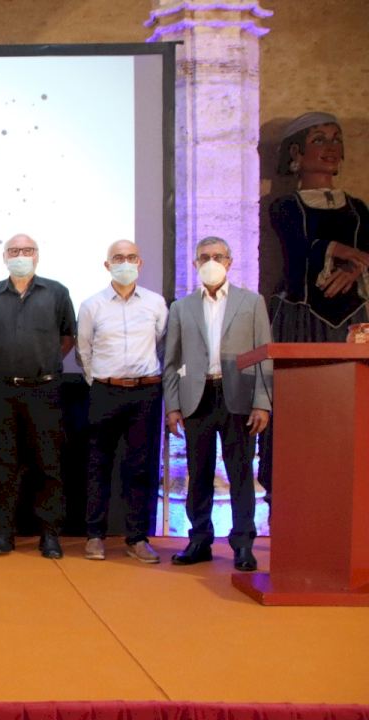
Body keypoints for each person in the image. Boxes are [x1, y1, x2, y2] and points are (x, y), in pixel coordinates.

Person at [262, 112, 369, 499]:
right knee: (300, 406)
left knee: (349, 407)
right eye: (319, 140)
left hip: (352, 318)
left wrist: (355, 269)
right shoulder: (285, 206)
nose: (331, 147)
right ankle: (293, 492)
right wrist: (339, 250)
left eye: (336, 139)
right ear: (296, 153)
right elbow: (296, 248)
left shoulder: (357, 209)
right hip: (302, 316)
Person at [164, 236, 272, 573]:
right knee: (198, 473)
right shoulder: (181, 307)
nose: (211, 262)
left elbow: (264, 355)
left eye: (218, 256)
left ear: (229, 262)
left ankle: (243, 544)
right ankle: (199, 540)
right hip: (197, 396)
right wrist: (172, 405)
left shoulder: (251, 302)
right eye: (204, 257)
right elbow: (171, 361)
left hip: (238, 394)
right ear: (195, 263)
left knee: (240, 473)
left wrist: (262, 403)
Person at [0, 233, 76, 559]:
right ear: (5, 257)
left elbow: (67, 338)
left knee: (48, 463)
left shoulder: (57, 292)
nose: (21, 255)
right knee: (2, 463)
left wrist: (42, 361)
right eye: (14, 251)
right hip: (3, 389)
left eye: (27, 250)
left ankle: (50, 534)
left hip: (44, 388)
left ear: (37, 255)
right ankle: (4, 533)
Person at [75, 240, 167, 563]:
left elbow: (161, 342)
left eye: (130, 257)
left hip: (145, 392)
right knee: (98, 464)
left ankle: (137, 538)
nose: (124, 263)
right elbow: (83, 350)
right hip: (106, 391)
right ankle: (95, 536)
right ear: (107, 265)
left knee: (140, 467)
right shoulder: (92, 305)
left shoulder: (156, 303)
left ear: (139, 263)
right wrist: (99, 379)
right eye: (118, 258)